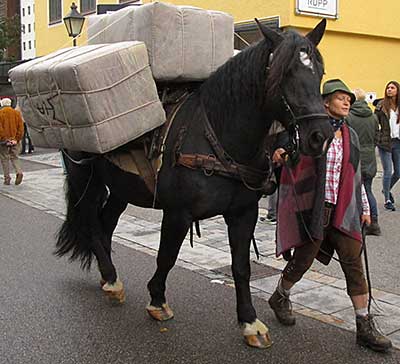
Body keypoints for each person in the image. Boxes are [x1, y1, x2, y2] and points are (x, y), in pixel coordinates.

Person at [269, 79, 392, 353]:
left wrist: (365, 208)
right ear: (325, 102)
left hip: (344, 210)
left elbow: (355, 174)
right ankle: (280, 296)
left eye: (348, 98)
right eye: (340, 98)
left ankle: (364, 326)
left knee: (354, 266)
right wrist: (281, 153)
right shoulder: (309, 132)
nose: (347, 101)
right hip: (313, 209)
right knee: (302, 261)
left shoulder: (352, 135)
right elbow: (288, 152)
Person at [346, 88, 381, 235]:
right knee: (368, 189)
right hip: (370, 157)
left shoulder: (348, 116)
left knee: (359, 191)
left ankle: (368, 223)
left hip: (356, 156)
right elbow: (376, 136)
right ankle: (373, 222)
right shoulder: (373, 116)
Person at [375, 81, 400, 211]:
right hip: (385, 142)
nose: (389, 90)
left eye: (392, 88)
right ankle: (387, 200)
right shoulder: (381, 106)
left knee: (398, 172)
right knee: (388, 171)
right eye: (388, 88)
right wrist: (378, 137)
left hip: (398, 142)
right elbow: (375, 123)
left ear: (397, 90)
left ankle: (386, 190)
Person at [0, 98, 24, 185]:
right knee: (15, 157)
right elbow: (21, 128)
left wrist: (4, 138)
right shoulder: (17, 113)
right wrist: (17, 139)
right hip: (14, 140)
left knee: (4, 158)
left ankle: (7, 178)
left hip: (3, 141)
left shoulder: (0, 113)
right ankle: (19, 172)